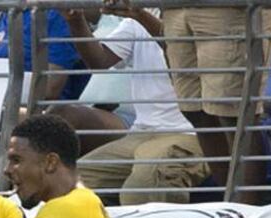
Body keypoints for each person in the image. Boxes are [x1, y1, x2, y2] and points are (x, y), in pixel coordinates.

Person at [63, 3, 208, 204]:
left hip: (191, 134)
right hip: (141, 133)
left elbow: (180, 52)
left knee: (143, 188)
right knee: (66, 187)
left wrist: (139, 15)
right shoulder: (138, 18)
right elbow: (99, 61)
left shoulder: (202, 15)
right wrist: (75, 19)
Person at [162, 2, 267, 203]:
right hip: (173, 8)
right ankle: (228, 204)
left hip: (225, 10)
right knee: (195, 111)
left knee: (234, 114)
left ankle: (245, 214)